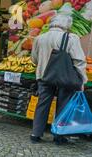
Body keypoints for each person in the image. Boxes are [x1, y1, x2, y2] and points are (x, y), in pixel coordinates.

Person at [30, 15, 87, 145]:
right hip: (65, 77)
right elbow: (79, 61)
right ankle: (59, 135)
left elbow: (34, 59)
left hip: (44, 76)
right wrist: (82, 80)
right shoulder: (71, 38)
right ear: (66, 25)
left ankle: (36, 133)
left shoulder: (39, 38)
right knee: (63, 104)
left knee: (42, 104)